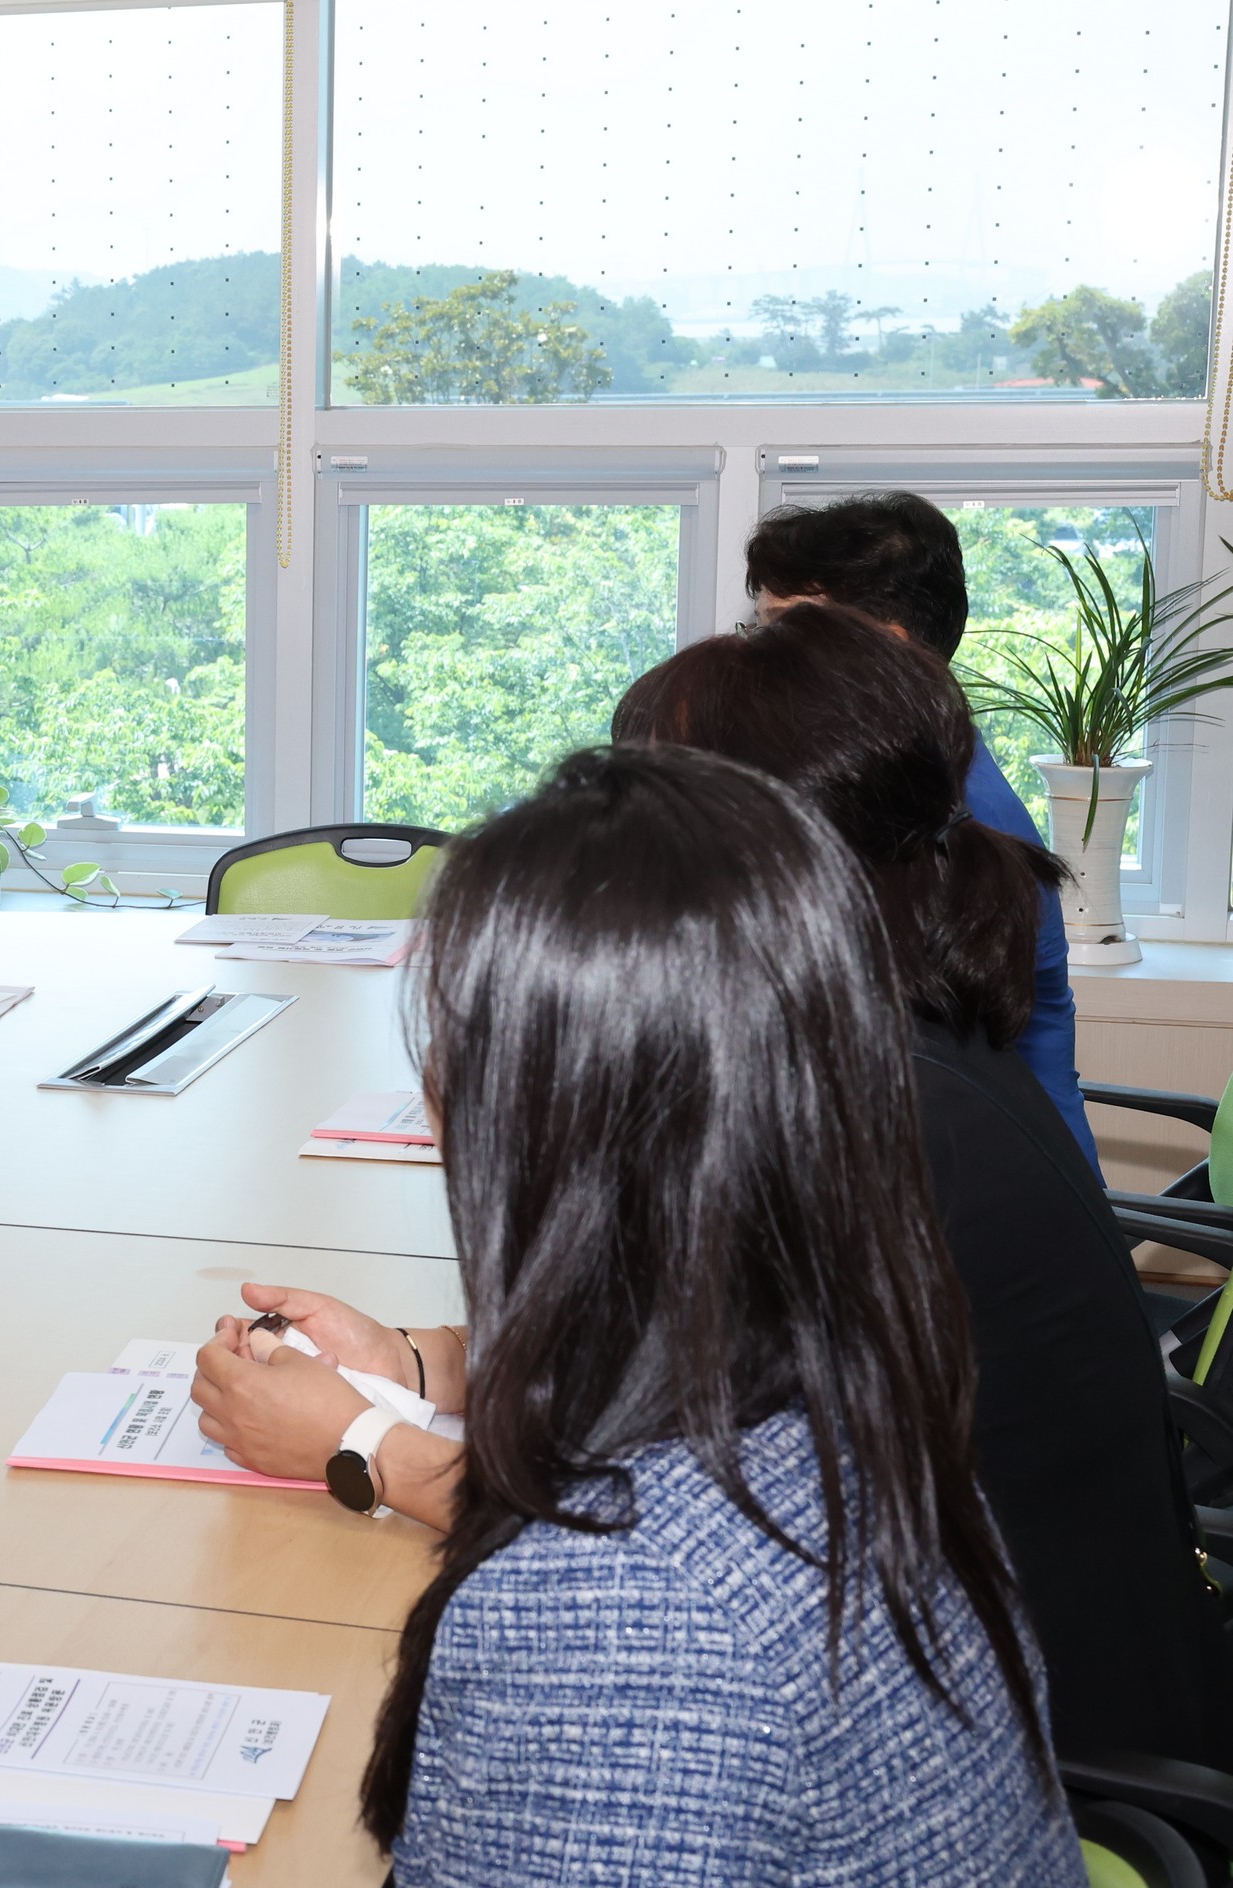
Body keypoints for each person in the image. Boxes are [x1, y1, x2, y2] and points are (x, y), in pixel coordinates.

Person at [203, 608, 1230, 1769]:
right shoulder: (877, 1045)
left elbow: (681, 1560)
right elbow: (700, 1370)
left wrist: (360, 1444)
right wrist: (420, 1359)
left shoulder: (880, 1130)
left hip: (1025, 1745)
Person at [273, 747, 1078, 1878]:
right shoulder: (860, 1406)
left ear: (542, 1118)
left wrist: (366, 1439)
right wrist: (413, 1365)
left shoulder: (621, 1621)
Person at [746, 489, 1095, 1167]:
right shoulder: (902, 771)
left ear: (889, 648)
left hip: (991, 1187)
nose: (764, 659)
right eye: (760, 628)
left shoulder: (952, 819)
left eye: (788, 630)